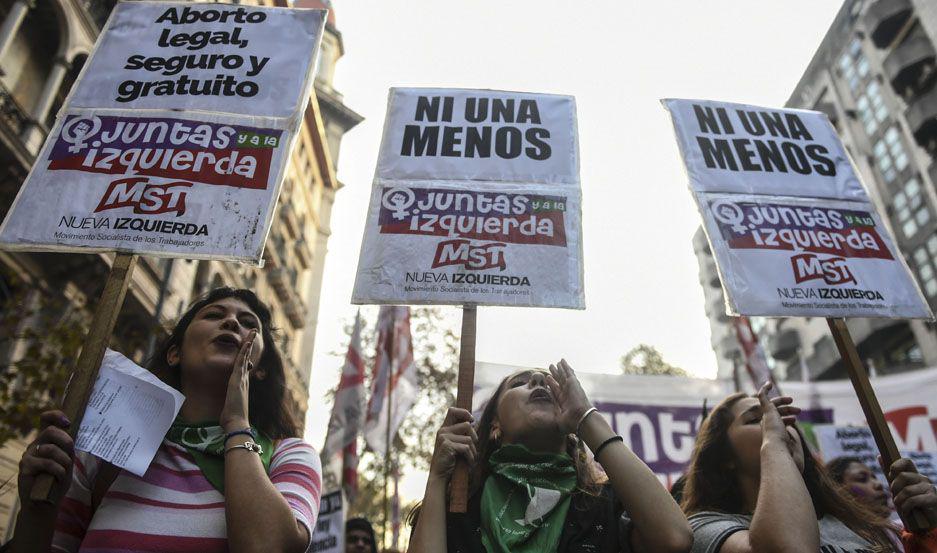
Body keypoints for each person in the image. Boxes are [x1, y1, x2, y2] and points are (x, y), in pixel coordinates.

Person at [11, 287, 322, 553]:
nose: (231, 321)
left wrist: (237, 424)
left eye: (247, 323)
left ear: (261, 369)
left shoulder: (289, 456)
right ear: (175, 354)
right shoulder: (107, 444)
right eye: (214, 315)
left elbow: (268, 547)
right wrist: (38, 510)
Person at [408, 360, 693, 553]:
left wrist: (586, 417)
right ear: (495, 425)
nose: (537, 380)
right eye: (520, 382)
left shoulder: (603, 506)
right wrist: (437, 478)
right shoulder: (459, 503)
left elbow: (675, 538)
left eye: (551, 385)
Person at [681, 382, 937, 552]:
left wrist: (925, 532)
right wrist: (773, 443)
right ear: (724, 458)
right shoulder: (704, 527)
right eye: (757, 419)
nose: (778, 425)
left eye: (783, 418)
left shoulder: (854, 521)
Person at [827, 456, 892, 519]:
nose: (879, 484)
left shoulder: (899, 527)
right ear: (839, 493)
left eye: (874, 478)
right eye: (862, 479)